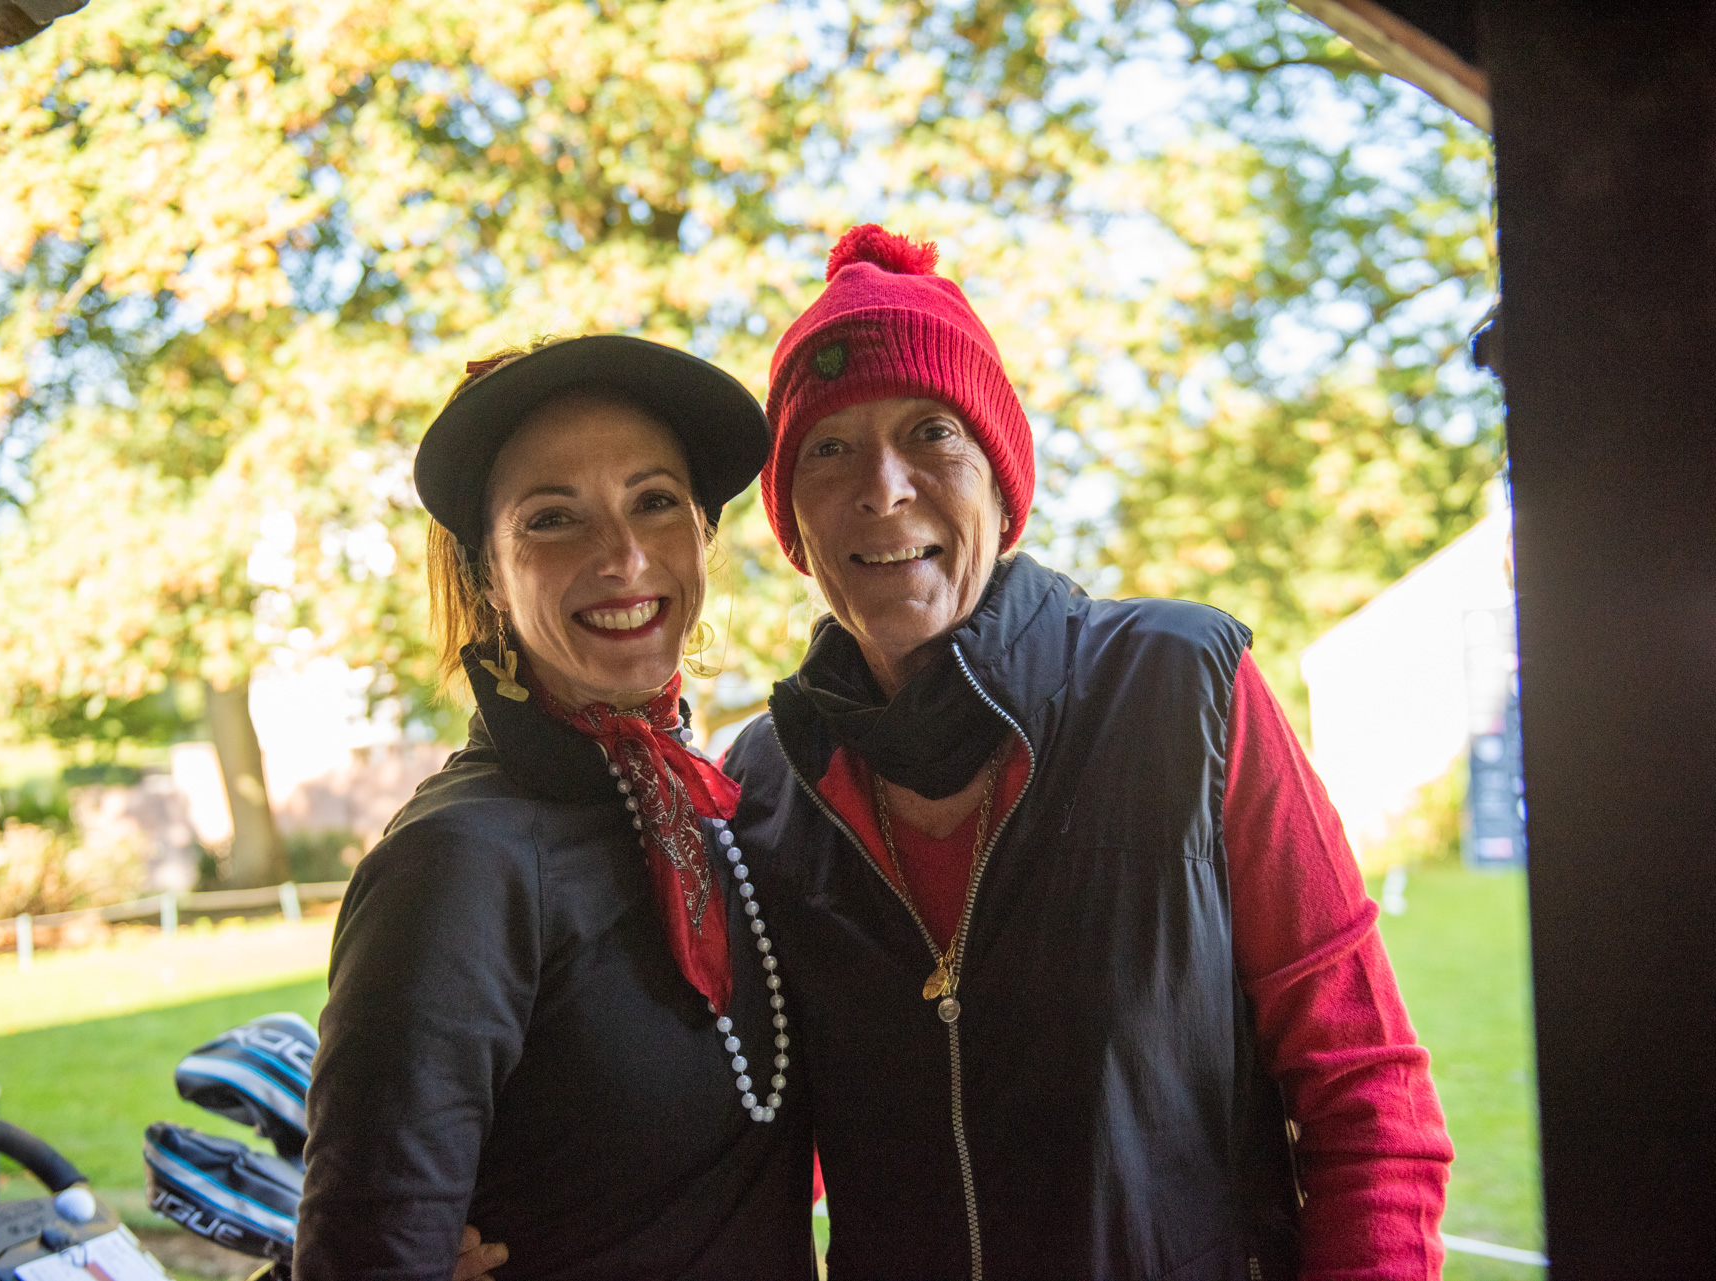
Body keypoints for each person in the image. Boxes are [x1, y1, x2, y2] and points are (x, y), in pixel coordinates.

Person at [724, 226, 1456, 1280]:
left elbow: (1367, 1092)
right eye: (828, 449)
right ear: (791, 518)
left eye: (931, 432)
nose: (882, 489)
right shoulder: (763, 784)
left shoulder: (1182, 688)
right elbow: (733, 1143)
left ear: (1001, 484)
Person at [295, 336, 814, 1280]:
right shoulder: (457, 860)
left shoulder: (713, 809)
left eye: (654, 501)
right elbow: (365, 1253)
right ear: (488, 575)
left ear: (702, 533)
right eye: (552, 519)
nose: (622, 555)